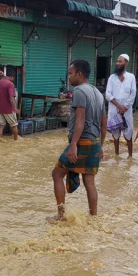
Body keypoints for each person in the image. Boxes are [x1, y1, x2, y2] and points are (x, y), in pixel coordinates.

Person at [51, 60, 106, 221]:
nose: (69, 77)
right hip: (95, 142)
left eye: (70, 73)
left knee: (57, 174)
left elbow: (80, 121)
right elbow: (104, 123)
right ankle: (93, 218)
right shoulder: (98, 93)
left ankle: (61, 216)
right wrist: (101, 145)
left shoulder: (79, 92)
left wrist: (73, 144)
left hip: (82, 142)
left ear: (79, 74)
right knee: (89, 181)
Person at [105, 54, 137, 157]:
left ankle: (130, 156)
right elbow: (108, 94)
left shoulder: (131, 77)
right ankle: (116, 156)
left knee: (129, 134)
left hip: (126, 111)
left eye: (120, 61)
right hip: (114, 110)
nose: (117, 63)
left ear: (126, 63)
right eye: (117, 61)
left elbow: (133, 93)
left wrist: (125, 107)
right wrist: (119, 106)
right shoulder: (112, 78)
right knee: (115, 134)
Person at [0, 70, 20, 140]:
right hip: (8, 109)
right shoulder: (10, 84)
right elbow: (11, 98)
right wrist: (15, 108)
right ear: (11, 77)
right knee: (14, 126)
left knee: (1, 126)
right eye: (13, 79)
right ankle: (16, 142)